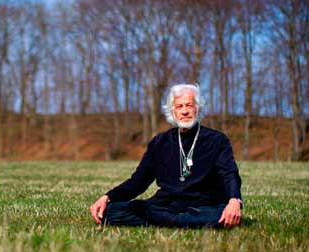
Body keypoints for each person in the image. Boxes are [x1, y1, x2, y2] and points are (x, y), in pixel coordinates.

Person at [89, 84, 242, 228]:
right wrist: (108, 197)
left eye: (189, 105)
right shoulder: (159, 142)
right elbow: (139, 181)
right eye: (179, 106)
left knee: (220, 213)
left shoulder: (217, 140)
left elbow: (229, 173)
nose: (184, 111)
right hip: (166, 205)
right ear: (172, 111)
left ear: (198, 108)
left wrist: (234, 200)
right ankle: (181, 222)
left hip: (203, 205)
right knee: (110, 211)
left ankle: (167, 221)